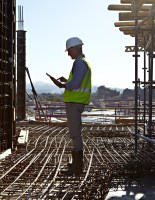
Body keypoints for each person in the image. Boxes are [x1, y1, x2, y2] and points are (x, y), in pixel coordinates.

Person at [49, 37, 92, 175]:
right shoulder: (83, 63)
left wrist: (62, 85)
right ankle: (76, 165)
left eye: (69, 50)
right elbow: (76, 82)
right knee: (75, 133)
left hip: (75, 103)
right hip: (77, 102)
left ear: (76, 48)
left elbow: (76, 84)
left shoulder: (79, 63)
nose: (68, 54)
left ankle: (77, 167)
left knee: (75, 134)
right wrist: (67, 81)